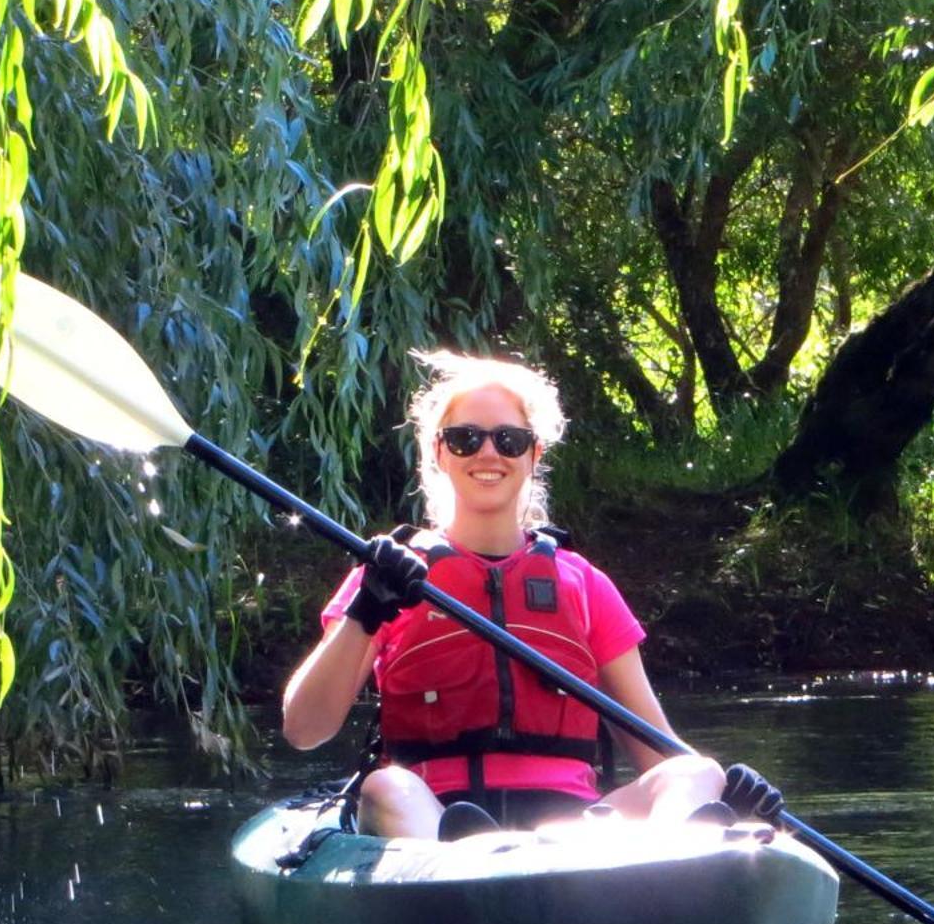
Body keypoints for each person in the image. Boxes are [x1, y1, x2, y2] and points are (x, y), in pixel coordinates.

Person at [281, 350, 782, 840]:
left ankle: (690, 856)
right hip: (432, 825)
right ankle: (469, 859)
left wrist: (724, 796)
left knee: (698, 772)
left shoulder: (585, 586)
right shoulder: (391, 577)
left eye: (509, 439)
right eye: (464, 438)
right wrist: (366, 610)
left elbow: (659, 753)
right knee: (387, 785)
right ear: (438, 452)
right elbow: (304, 729)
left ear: (534, 453)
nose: (488, 453)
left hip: (567, 830)